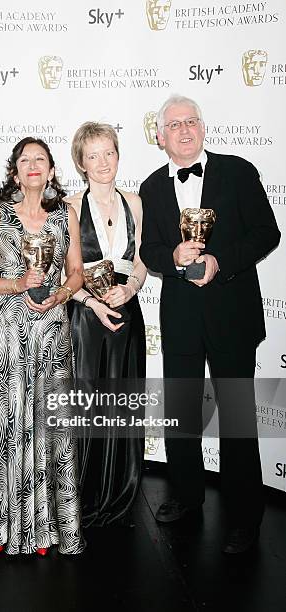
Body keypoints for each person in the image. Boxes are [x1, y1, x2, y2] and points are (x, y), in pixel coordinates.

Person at [139, 95, 280, 554]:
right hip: (180, 316)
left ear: (203, 127)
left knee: (237, 417)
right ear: (160, 136)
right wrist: (172, 257)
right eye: (174, 124)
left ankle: (245, 516)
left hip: (231, 314)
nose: (184, 130)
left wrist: (222, 260)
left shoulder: (238, 171)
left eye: (191, 121)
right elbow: (149, 251)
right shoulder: (151, 187)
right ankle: (186, 495)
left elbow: (267, 232)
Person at [0, 137, 85, 557]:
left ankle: (44, 529)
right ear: (14, 172)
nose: (33, 165)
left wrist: (63, 295)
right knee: (5, 426)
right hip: (8, 333)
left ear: (51, 171)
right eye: (24, 160)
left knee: (49, 426)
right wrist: (15, 284)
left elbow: (75, 273)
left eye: (41, 159)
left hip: (51, 331)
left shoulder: (65, 215)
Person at [66, 122, 147, 527]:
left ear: (118, 154)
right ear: (81, 163)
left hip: (126, 313)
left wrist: (131, 287)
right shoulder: (69, 207)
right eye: (92, 155)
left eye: (108, 153)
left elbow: (141, 262)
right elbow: (60, 274)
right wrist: (89, 302)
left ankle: (118, 489)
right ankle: (79, 496)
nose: (102, 162)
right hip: (85, 317)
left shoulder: (134, 202)